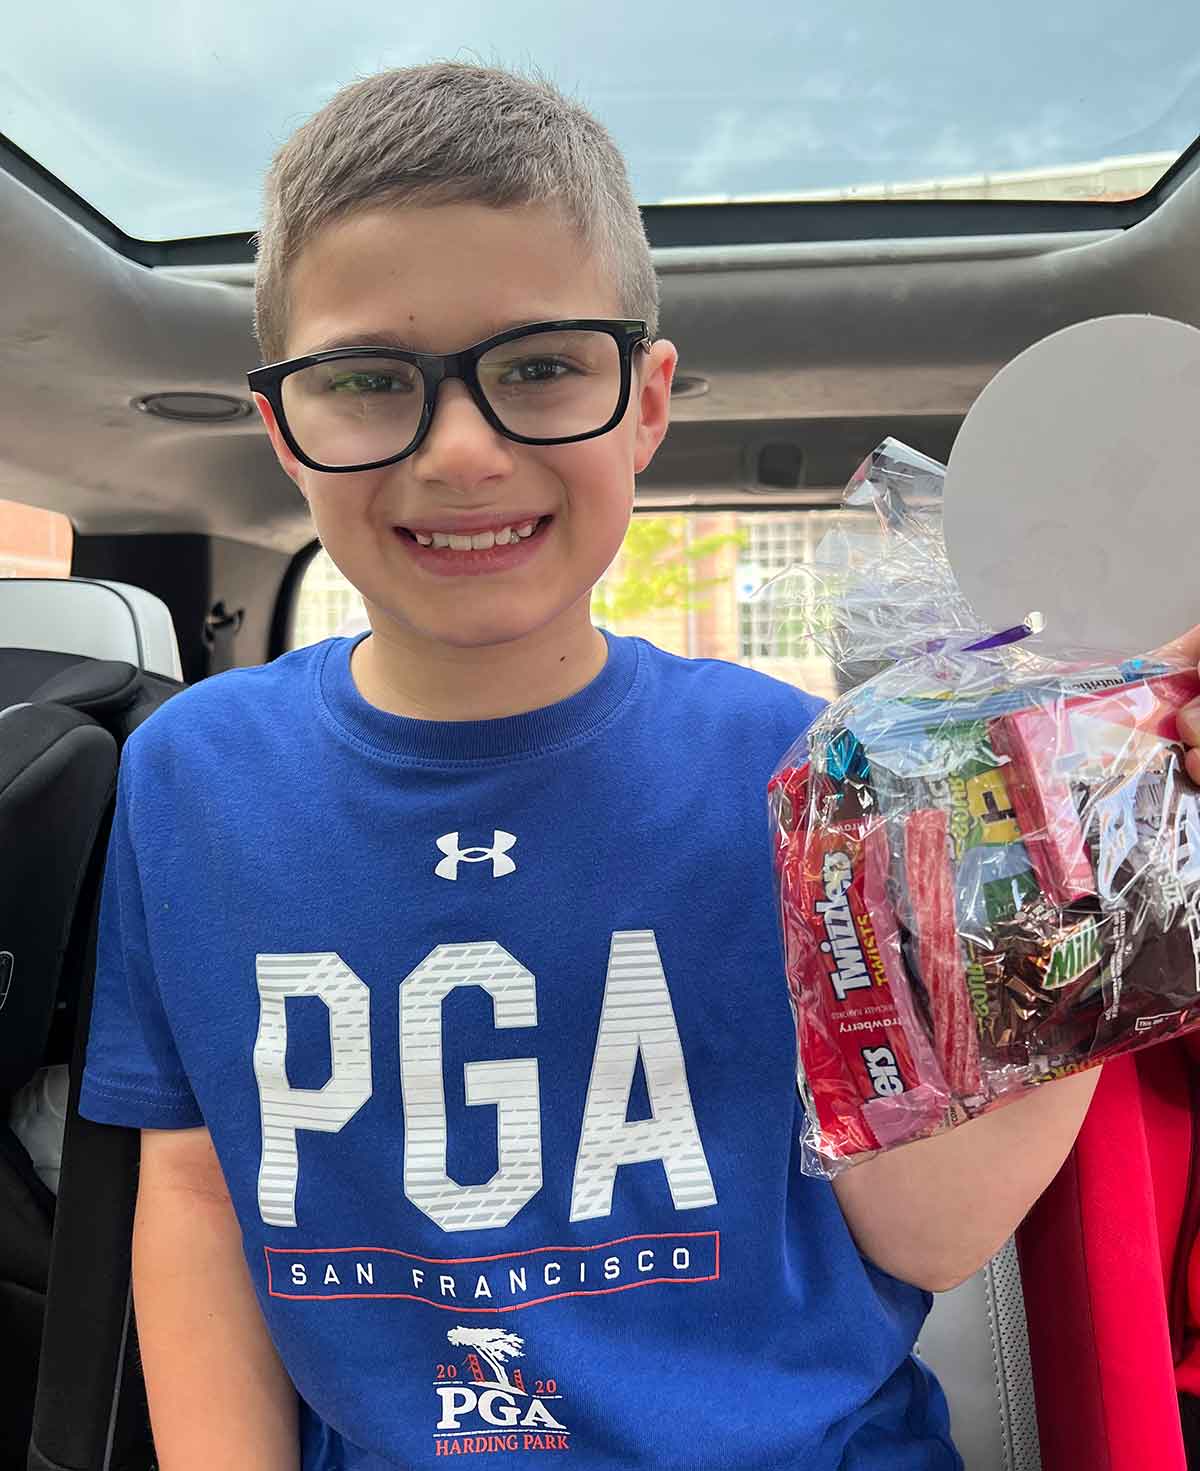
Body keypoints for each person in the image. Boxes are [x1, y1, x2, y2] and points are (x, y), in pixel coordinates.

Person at [78, 62, 1200, 1471]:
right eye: (369, 383)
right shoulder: (188, 778)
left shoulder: (807, 778)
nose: (465, 451)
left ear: (648, 400)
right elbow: (190, 1185)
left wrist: (1119, 847)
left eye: (541, 365)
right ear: (282, 432)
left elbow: (924, 1232)